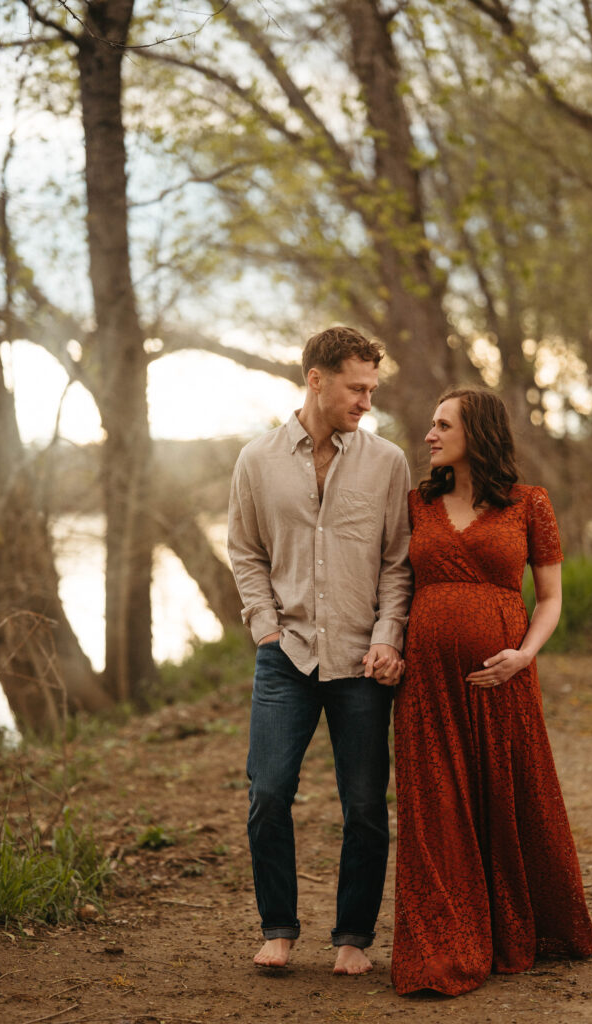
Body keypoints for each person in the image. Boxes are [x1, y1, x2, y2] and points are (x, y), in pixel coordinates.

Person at [391, 386, 592, 996]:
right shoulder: (415, 504)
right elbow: (392, 585)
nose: (429, 434)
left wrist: (523, 656)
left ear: (476, 432)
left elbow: (551, 598)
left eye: (441, 424)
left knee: (510, 797)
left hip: (504, 678)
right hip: (427, 684)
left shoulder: (529, 504)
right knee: (436, 808)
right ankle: (443, 945)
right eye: (430, 424)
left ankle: (517, 927)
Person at [227, 326, 412, 974]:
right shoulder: (256, 459)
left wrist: (387, 637)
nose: (365, 401)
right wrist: (265, 628)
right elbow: (245, 552)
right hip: (287, 655)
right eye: (356, 387)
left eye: (371, 390)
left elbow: (397, 563)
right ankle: (277, 928)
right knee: (268, 792)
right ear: (316, 378)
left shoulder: (386, 462)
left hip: (361, 659)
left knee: (364, 804)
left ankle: (351, 940)